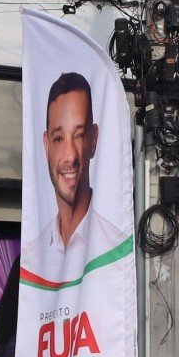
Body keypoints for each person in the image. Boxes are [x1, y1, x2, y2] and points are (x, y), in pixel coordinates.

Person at [20, 71, 128, 284]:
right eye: (58, 138)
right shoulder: (29, 262)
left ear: (94, 139)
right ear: (46, 144)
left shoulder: (118, 254)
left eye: (79, 135)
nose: (70, 155)